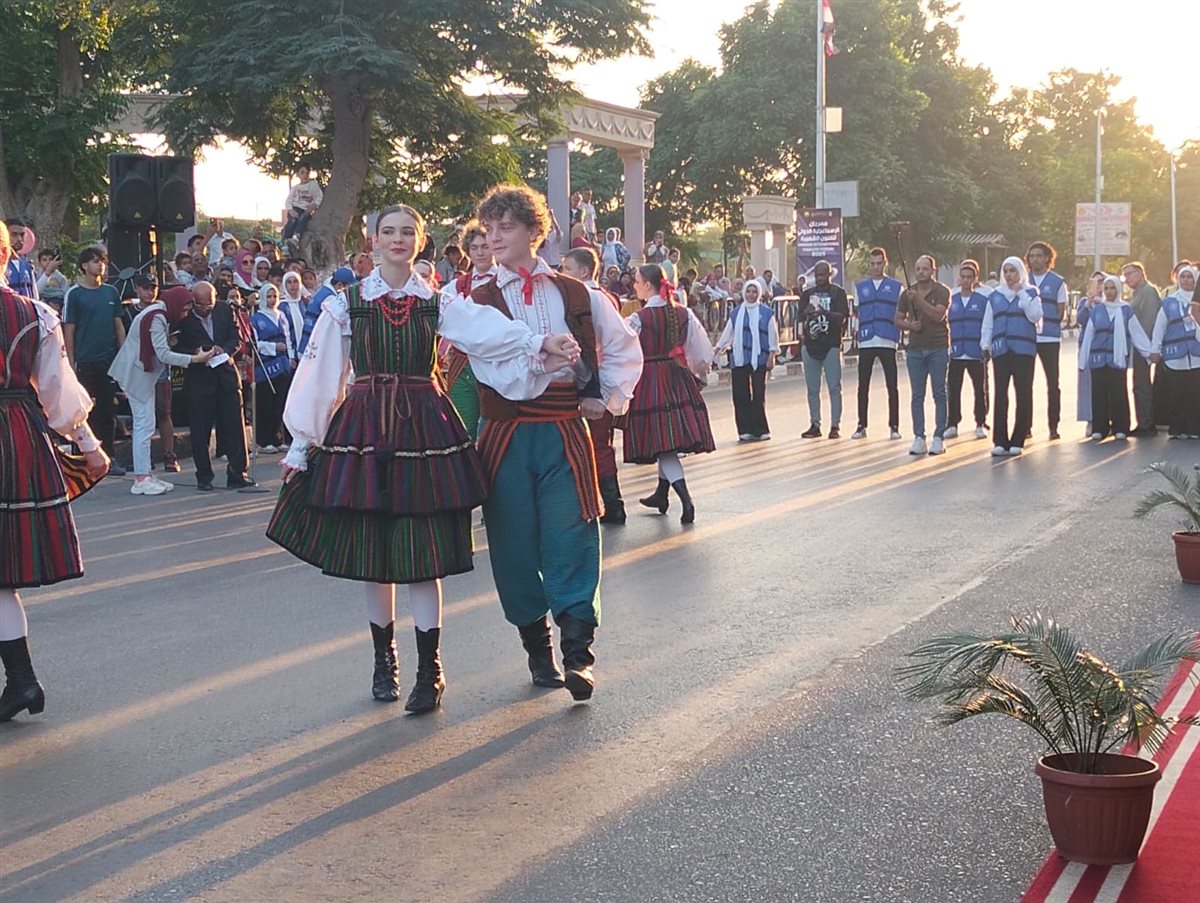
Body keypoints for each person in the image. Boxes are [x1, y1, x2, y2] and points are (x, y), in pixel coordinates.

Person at [269, 205, 517, 713]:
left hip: (424, 425)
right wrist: (301, 443)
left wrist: (539, 342)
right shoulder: (346, 304)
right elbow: (322, 377)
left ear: (420, 241)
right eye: (389, 232)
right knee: (375, 555)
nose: (398, 240)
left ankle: (432, 670)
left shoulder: (441, 303)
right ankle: (385, 661)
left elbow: (492, 333)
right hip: (364, 428)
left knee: (424, 557)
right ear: (373, 240)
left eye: (408, 232)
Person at [437, 185, 643, 701]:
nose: (496, 237)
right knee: (513, 545)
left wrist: (606, 396)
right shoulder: (473, 301)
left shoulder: (578, 294)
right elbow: (494, 366)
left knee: (574, 531)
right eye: (490, 228)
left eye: (507, 226)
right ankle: (537, 649)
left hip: (563, 430)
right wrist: (544, 358)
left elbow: (621, 346)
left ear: (535, 231)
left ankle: (578, 654)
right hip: (505, 433)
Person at [0, 220, 110, 722]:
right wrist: (88, 444)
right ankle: (21, 681)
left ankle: (22, 682)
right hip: (17, 436)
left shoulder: (40, 313)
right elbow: (57, 390)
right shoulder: (35, 313)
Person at [625, 263, 714, 523]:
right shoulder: (682, 313)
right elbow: (700, 350)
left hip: (651, 381)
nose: (634, 286)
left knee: (664, 446)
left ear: (648, 285)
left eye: (637, 281)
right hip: (676, 377)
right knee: (667, 441)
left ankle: (686, 501)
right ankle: (661, 493)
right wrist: (700, 374)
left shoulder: (638, 319)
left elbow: (623, 350)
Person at [109, 285, 216, 494]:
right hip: (136, 375)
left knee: (146, 424)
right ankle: (141, 479)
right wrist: (195, 359)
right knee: (143, 426)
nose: (185, 315)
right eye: (184, 310)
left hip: (142, 375)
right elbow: (164, 355)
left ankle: (146, 473)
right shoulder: (157, 316)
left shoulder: (159, 314)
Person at [561, 246, 629, 523]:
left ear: (585, 271)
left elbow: (610, 345)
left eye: (567, 269)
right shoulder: (602, 296)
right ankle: (607, 501)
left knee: (595, 443)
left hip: (593, 379)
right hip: (598, 379)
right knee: (599, 443)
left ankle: (611, 504)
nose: (561, 274)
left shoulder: (589, 297)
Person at [175, 281, 253, 490]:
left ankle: (238, 472)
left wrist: (224, 350)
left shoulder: (225, 310)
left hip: (225, 375)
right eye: (203, 306)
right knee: (200, 431)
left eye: (211, 304)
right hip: (200, 379)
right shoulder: (184, 317)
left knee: (235, 427)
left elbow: (236, 338)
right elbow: (177, 346)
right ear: (194, 302)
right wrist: (197, 353)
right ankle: (204, 476)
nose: (208, 309)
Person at [62, 245, 127, 474]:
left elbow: (118, 325)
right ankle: (80, 459)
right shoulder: (75, 294)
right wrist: (70, 363)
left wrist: (124, 355)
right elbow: (69, 329)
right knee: (81, 413)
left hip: (107, 361)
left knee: (108, 411)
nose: (99, 265)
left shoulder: (111, 292)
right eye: (94, 261)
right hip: (84, 361)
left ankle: (109, 457)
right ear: (84, 265)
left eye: (102, 261)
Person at [437, 220, 496, 439]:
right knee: (462, 427)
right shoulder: (457, 286)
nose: (480, 252)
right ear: (467, 251)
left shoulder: (507, 281)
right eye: (474, 247)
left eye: (485, 246)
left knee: (492, 429)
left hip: (495, 362)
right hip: (463, 363)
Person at [1078, 275, 1154, 440]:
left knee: (1118, 393)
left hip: (1117, 360)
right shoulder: (1097, 310)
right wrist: (1083, 359)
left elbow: (1136, 333)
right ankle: (1100, 428)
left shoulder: (1125, 310)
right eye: (1106, 288)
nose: (1109, 292)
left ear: (1118, 290)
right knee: (1098, 393)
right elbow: (1089, 335)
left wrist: (1149, 353)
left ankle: (1121, 427)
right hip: (1098, 359)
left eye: (1112, 288)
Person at [980, 256, 1042, 457]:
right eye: (1006, 271)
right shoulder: (995, 296)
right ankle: (1000, 440)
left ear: (1021, 272)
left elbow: (1035, 316)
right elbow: (988, 322)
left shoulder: (1031, 293)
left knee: (1023, 393)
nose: (1009, 275)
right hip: (1001, 350)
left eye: (1013, 271)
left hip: (1024, 350)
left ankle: (1018, 439)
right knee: (1001, 395)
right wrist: (985, 344)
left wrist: (1022, 296)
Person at [895, 254, 951, 455]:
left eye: (924, 269)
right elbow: (898, 319)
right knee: (917, 394)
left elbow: (938, 315)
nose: (920, 272)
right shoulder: (906, 294)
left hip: (937, 347)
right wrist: (910, 325)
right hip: (915, 349)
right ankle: (919, 436)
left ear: (932, 270)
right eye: (917, 269)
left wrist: (918, 299)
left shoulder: (942, 291)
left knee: (939, 392)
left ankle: (939, 437)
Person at [715, 277, 778, 442]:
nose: (751, 295)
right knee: (740, 394)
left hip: (759, 358)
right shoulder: (736, 313)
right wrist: (718, 348)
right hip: (739, 358)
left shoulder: (766, 313)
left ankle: (760, 429)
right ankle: (744, 429)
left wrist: (772, 355)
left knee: (758, 393)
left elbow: (773, 336)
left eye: (754, 292)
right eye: (748, 291)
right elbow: (728, 333)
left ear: (759, 293)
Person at [852, 247, 902, 440]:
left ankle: (894, 425)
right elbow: (856, 314)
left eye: (879, 263)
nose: (875, 267)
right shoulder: (860, 287)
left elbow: (901, 312)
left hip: (887, 339)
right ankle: (861, 425)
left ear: (885, 263)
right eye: (872, 264)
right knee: (863, 385)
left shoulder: (897, 287)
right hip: (866, 340)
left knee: (892, 385)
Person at [797, 261, 848, 439]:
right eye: (817, 275)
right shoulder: (807, 293)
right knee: (812, 389)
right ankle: (814, 424)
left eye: (822, 275)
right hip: (811, 345)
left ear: (829, 274)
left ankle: (835, 426)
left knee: (834, 387)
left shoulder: (838, 293)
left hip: (831, 345)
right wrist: (807, 311)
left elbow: (842, 317)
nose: (819, 278)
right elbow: (799, 317)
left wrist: (823, 312)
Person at [1149, 264, 1200, 439]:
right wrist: (1155, 349)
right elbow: (1159, 327)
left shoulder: (1198, 302)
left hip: (1196, 355)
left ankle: (1194, 429)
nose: (1186, 280)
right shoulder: (1169, 302)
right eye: (1183, 277)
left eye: (1190, 277)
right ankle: (1177, 429)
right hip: (1174, 355)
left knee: (1195, 394)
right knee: (1177, 394)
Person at [1024, 241, 1067, 441]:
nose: (1035, 259)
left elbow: (1060, 312)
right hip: (1027, 338)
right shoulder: (1023, 281)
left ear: (1047, 258)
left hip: (1049, 337)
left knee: (1053, 382)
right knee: (1025, 384)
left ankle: (1053, 426)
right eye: (1032, 256)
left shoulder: (1058, 282)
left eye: (1039, 256)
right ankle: (1025, 426)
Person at [945, 259, 990, 441]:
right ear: (959, 278)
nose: (965, 280)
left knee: (979, 389)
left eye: (969, 277)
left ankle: (980, 423)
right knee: (953, 389)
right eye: (962, 277)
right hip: (955, 351)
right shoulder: (951, 300)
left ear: (975, 279)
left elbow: (987, 325)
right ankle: (952, 423)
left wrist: (985, 346)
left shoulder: (982, 300)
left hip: (975, 351)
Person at [250, 283, 293, 453]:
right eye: (268, 296)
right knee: (265, 403)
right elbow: (255, 344)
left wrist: (290, 357)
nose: (272, 300)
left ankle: (277, 438)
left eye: (274, 296)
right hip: (265, 366)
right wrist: (274, 347)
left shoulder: (281, 315)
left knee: (280, 403)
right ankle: (264, 439)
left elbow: (288, 338)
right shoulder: (256, 319)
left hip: (282, 365)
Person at [1123, 261, 1162, 436]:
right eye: (1125, 275)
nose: (1127, 278)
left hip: (1145, 347)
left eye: (1130, 273)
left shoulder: (1148, 292)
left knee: (1142, 385)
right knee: (1139, 385)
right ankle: (1142, 422)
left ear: (1140, 272)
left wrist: (1149, 348)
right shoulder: (1137, 293)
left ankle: (1147, 424)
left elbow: (1150, 321)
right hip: (1138, 347)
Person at [299, 266, 357, 354]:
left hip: (309, 341)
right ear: (340, 285)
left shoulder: (323, 292)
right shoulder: (330, 299)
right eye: (350, 286)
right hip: (317, 345)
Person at [1076, 271, 1106, 435]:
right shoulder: (1084, 301)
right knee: (1087, 384)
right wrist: (1088, 302)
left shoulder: (1110, 302)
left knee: (1104, 383)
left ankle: (1106, 417)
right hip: (1086, 346)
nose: (1099, 284)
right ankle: (1090, 419)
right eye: (1095, 281)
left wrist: (1100, 300)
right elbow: (1081, 319)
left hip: (1105, 347)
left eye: (1102, 281)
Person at [281, 165, 323, 245]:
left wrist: (314, 205)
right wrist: (291, 210)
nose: (305, 175)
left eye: (307, 173)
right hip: (296, 208)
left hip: (306, 209)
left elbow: (319, 197)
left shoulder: (313, 185)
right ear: (298, 174)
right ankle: (286, 240)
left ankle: (297, 236)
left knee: (303, 218)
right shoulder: (295, 188)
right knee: (292, 221)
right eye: (302, 173)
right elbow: (288, 201)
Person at [3, 219, 38, 299]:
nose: (19, 239)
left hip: (26, 309)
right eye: (14, 235)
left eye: (22, 235)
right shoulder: (2, 265)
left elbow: (35, 295)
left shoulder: (28, 266)